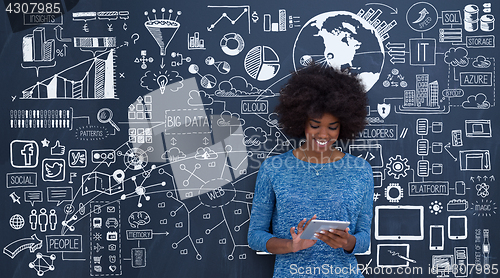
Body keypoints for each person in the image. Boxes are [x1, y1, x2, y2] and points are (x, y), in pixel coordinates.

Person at [248, 63, 374, 277]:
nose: (323, 134)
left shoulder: (361, 170)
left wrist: (348, 242)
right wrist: (291, 246)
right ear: (301, 122)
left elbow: (363, 238)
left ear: (344, 125)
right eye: (315, 125)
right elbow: (255, 236)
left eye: (332, 127)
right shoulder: (274, 168)